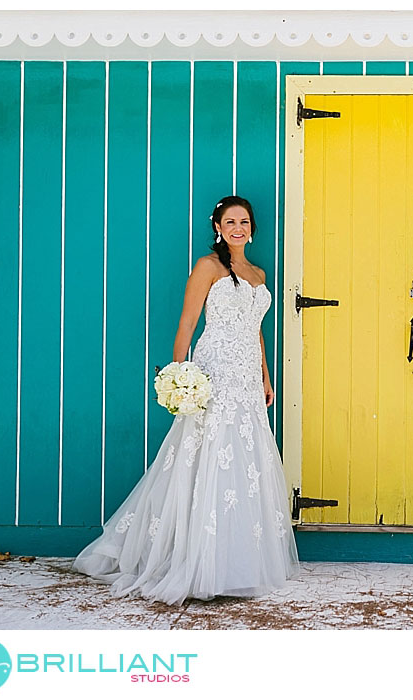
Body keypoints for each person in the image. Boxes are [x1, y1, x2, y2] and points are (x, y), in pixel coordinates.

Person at [73, 195, 299, 605]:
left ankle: (238, 563)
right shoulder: (208, 267)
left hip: (247, 378)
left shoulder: (258, 272)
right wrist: (181, 374)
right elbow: (188, 322)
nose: (238, 228)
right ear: (218, 226)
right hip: (214, 373)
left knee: (244, 463)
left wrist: (265, 378)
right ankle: (196, 561)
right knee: (207, 458)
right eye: (230, 221)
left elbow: (255, 331)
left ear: (252, 228)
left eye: (244, 221)